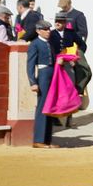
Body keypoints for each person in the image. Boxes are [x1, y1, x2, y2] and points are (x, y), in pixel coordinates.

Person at [26, 18, 58, 148]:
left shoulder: (50, 43)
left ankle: (47, 140)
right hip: (43, 75)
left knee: (50, 106)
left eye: (49, 29)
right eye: (45, 29)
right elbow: (30, 65)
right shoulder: (35, 44)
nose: (48, 31)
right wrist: (33, 82)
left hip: (52, 74)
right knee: (43, 106)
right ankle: (38, 140)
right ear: (38, 31)